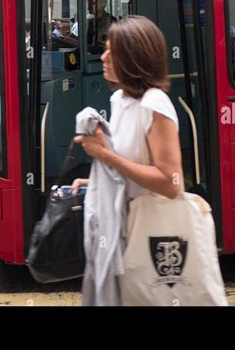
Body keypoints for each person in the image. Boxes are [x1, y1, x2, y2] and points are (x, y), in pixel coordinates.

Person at [72, 15, 183, 305]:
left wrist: (106, 155)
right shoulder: (120, 99)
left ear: (135, 58)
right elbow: (128, 161)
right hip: (123, 234)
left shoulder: (154, 104)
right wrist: (95, 178)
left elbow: (171, 183)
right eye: (105, 48)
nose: (104, 57)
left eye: (113, 51)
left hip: (145, 237)